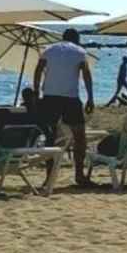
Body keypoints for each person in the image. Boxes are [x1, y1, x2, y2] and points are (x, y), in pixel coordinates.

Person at [33, 28, 96, 187]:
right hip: (71, 99)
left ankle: (49, 177)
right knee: (79, 137)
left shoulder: (49, 50)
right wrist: (90, 98)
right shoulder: (80, 52)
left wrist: (36, 92)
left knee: (50, 137)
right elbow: (86, 76)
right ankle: (79, 175)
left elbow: (38, 70)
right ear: (77, 39)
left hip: (50, 98)